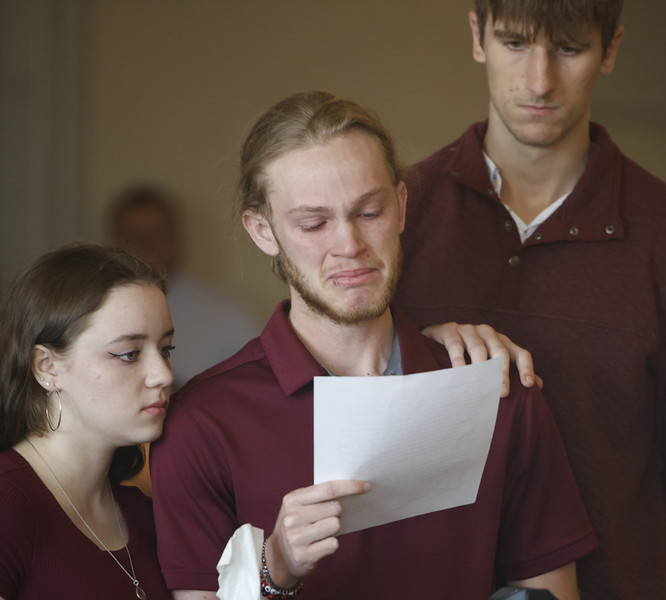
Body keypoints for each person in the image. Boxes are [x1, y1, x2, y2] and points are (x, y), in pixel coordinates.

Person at [150, 91, 598, 600]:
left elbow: (551, 592)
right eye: (314, 223)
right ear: (263, 230)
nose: (349, 246)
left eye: (369, 212)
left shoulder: (496, 389)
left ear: (402, 206)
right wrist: (275, 569)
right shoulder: (202, 423)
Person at [395, 1, 666, 599]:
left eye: (568, 49)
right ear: (477, 36)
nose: (539, 80)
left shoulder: (660, 230)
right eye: (515, 44)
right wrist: (410, 351)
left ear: (610, 49)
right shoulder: (395, 213)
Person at [0, 243, 174, 599]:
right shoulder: (8, 506)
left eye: (166, 349)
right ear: (47, 368)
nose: (164, 375)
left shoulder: (142, 512)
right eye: (128, 354)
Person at [107, 184, 260, 388]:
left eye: (156, 234)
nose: (145, 245)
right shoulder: (93, 313)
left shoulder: (229, 319)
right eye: (133, 235)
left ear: (175, 236)